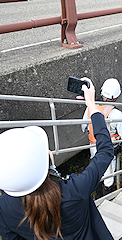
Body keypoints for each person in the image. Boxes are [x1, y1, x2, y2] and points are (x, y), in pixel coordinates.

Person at [0, 77, 115, 239]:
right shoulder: (75, 190)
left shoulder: (4, 209)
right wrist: (91, 105)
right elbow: (106, 151)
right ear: (46, 166)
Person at [81, 78, 122, 196]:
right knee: (108, 176)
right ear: (116, 97)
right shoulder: (116, 114)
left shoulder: (91, 107)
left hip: (93, 146)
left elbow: (83, 127)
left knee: (96, 171)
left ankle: (98, 196)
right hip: (108, 149)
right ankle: (107, 197)